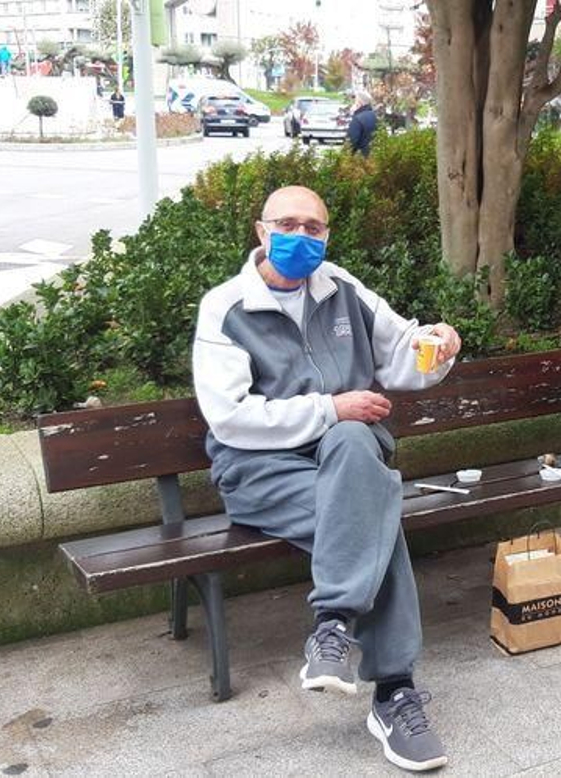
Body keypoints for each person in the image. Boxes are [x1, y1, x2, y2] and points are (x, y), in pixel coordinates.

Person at [193, 185, 459, 772]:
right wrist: (329, 408)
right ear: (261, 232)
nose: (302, 235)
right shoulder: (226, 308)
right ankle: (394, 692)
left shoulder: (343, 289)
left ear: (327, 236)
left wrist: (437, 346)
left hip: (347, 457)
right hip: (260, 471)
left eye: (314, 227)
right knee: (374, 511)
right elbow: (230, 418)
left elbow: (401, 353)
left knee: (355, 447)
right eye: (288, 224)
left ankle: (334, 629)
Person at [346, 90, 379, 156]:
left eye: (354, 102)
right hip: (376, 156)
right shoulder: (375, 117)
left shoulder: (358, 119)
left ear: (359, 103)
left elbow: (351, 143)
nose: (353, 105)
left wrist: (344, 158)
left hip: (361, 159)